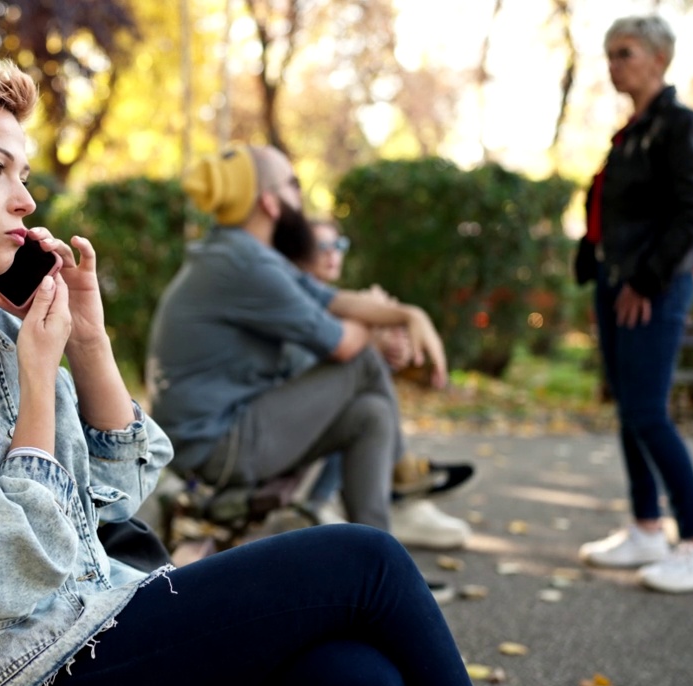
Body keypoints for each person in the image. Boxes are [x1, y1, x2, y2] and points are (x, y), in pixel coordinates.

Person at [0, 55, 487, 686]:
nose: (23, 200)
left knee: (356, 681)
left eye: (22, 174)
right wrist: (37, 379)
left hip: (70, 632)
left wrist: (87, 345)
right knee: (366, 561)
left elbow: (113, 498)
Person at [147, 142, 472, 553]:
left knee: (370, 415)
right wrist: (376, 328)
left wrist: (410, 314)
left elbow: (335, 302)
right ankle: (402, 475)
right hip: (216, 449)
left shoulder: (241, 253)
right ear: (269, 202)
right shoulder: (244, 263)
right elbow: (342, 345)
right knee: (361, 362)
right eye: (293, 185)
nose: (300, 199)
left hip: (225, 435)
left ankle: (381, 563)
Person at [573, 15, 693, 593]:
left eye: (625, 53)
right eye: (610, 54)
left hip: (654, 289)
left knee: (648, 413)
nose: (614, 64)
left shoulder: (679, 124)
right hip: (618, 286)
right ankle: (645, 528)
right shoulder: (630, 132)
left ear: (659, 59)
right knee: (629, 410)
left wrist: (646, 279)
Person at [281, 219, 476, 533]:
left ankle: (392, 490)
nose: (333, 255)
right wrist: (372, 340)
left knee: (370, 403)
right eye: (323, 247)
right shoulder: (291, 298)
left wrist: (388, 345)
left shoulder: (330, 299)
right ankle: (395, 478)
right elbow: (303, 370)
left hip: (307, 413)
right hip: (281, 423)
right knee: (361, 406)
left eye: (339, 246)